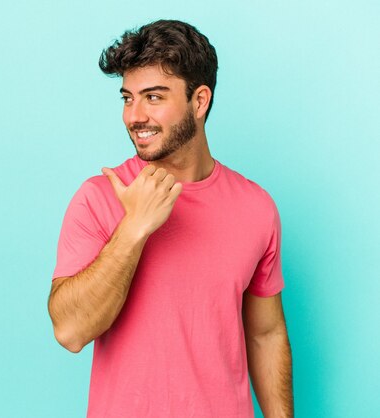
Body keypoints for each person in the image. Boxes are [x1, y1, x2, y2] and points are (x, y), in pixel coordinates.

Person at [47, 19, 293, 417]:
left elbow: (265, 334)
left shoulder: (256, 207)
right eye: (128, 98)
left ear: (199, 101)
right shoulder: (99, 197)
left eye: (154, 97)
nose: (134, 116)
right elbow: (71, 332)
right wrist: (134, 228)